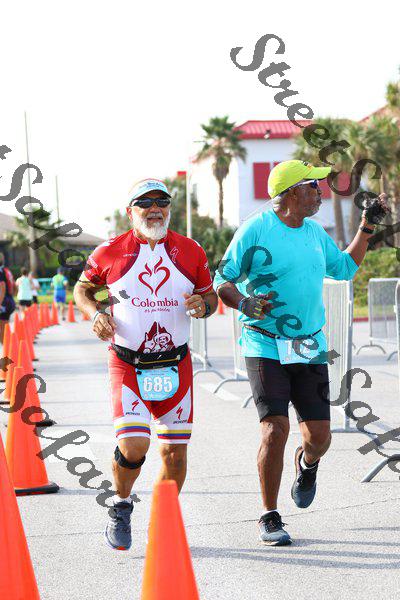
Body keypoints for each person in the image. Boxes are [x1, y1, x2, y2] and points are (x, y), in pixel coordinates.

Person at [214, 160, 389, 546]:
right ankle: (269, 515)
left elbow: (344, 268)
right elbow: (222, 278)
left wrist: (367, 227)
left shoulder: (314, 232)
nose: (320, 192)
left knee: (320, 438)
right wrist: (244, 303)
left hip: (307, 344)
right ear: (292, 191)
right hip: (263, 342)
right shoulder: (255, 229)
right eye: (313, 185)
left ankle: (307, 464)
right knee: (274, 428)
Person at [74, 178, 218, 551]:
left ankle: (161, 520)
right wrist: (95, 313)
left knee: (175, 454)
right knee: (134, 445)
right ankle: (121, 505)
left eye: (162, 202)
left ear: (169, 208)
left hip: (175, 364)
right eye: (145, 203)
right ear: (130, 211)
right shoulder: (109, 251)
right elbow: (82, 289)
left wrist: (204, 305)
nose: (155, 209)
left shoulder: (191, 250)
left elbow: (210, 297)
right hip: (128, 365)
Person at [0, 253, 16, 343]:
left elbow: (2, 287)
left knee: (3, 326)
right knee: (5, 325)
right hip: (9, 300)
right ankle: (6, 345)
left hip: (4, 302)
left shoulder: (1, 272)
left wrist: (0, 302)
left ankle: (5, 346)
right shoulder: (7, 271)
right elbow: (14, 286)